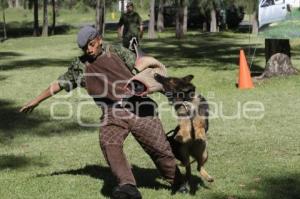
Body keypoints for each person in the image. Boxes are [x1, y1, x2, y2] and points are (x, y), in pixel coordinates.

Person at [20, 26, 187, 199]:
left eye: (91, 45)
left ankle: (178, 181)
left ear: (99, 39)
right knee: (109, 143)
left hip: (139, 106)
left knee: (159, 149)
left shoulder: (116, 51)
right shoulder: (81, 66)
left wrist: (171, 92)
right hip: (112, 112)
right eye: (85, 48)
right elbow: (59, 84)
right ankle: (127, 187)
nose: (89, 50)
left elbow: (147, 73)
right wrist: (37, 100)